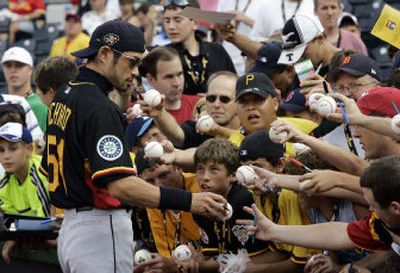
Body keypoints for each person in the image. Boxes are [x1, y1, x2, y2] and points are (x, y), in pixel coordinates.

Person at [41, 20, 227, 273]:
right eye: (132, 61)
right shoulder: (98, 106)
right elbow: (120, 185)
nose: (136, 71)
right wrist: (190, 200)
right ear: (105, 54)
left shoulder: (65, 94)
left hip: (74, 230)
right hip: (99, 229)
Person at [238, 155, 400, 260]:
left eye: (373, 204)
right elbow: (340, 233)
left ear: (395, 208)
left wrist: (337, 178)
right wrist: (274, 231)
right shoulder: (381, 224)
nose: (370, 209)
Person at [188, 138, 269, 272]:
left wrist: (199, 266)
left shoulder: (244, 201)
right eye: (200, 169)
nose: (204, 177)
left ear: (233, 175)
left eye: (214, 170)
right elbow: (212, 254)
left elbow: (254, 258)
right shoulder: (200, 206)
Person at [133, 150, 200, 273]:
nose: (158, 186)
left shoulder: (200, 186)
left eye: (164, 175)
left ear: (179, 167)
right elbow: (166, 253)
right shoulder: (151, 198)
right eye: (150, 181)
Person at [141, 71, 240, 149]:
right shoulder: (200, 129)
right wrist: (160, 114)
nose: (216, 104)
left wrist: (218, 130)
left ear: (239, 102)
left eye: (224, 99)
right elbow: (176, 133)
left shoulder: (251, 127)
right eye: (211, 98)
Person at [163, 0, 236, 95]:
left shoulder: (216, 51)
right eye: (167, 21)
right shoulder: (164, 55)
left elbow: (234, 85)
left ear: (195, 23)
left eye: (178, 20)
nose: (171, 26)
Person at [140, 46, 200, 124]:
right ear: (151, 79)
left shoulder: (200, 105)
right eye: (169, 77)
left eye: (180, 74)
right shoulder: (140, 113)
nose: (177, 83)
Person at [0, 122, 49, 217]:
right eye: (1, 150)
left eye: (13, 149)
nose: (6, 156)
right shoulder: (3, 185)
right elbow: (11, 222)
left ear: (29, 149)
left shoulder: (41, 174)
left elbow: (48, 224)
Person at [1, 47, 48, 132]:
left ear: (30, 70)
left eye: (19, 65)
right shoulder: (1, 102)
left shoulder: (39, 105)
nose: (13, 70)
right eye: (8, 65)